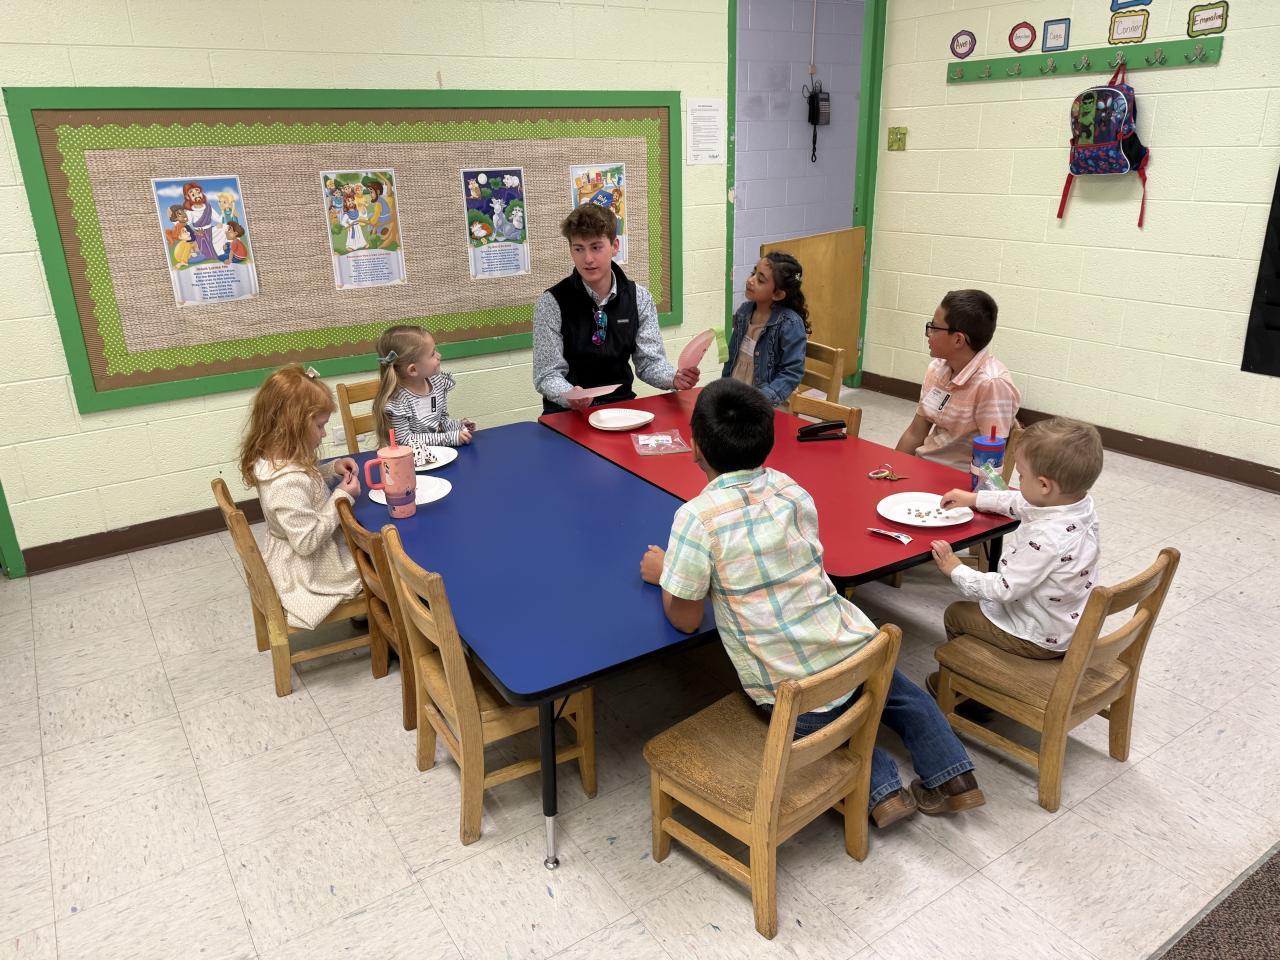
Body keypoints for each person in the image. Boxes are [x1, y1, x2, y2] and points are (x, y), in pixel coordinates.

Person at [640, 379, 986, 824]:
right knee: (902, 696)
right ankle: (956, 778)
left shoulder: (696, 519)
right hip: (855, 644)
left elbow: (686, 620)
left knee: (826, 726)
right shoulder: (791, 489)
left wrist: (667, 574)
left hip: (790, 682)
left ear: (695, 447)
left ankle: (882, 792)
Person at [929, 418, 1104, 680]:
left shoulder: (1047, 538)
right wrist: (975, 498)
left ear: (1044, 485)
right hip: (1065, 622)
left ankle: (966, 685)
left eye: (1021, 475)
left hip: (1037, 636)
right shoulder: (1076, 505)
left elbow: (1003, 589)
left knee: (957, 614)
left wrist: (956, 569)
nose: (1018, 481)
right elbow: (1021, 501)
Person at [533, 205, 699, 414]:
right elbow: (547, 374)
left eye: (596, 247)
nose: (588, 259)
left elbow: (649, 363)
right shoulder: (551, 303)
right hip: (567, 413)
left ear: (614, 246)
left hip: (621, 408)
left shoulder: (639, 298)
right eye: (579, 249)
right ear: (571, 250)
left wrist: (674, 378)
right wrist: (570, 395)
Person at [238, 366, 363, 631]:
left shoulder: (276, 460)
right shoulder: (286, 483)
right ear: (293, 427)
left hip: (300, 556)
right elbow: (306, 543)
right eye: (320, 426)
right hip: (310, 570)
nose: (324, 434)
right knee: (380, 564)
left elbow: (306, 483)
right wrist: (341, 498)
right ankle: (389, 629)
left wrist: (331, 470)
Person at [896, 289, 1021, 471]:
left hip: (958, 478)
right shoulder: (937, 368)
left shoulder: (992, 384)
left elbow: (990, 462)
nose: (928, 333)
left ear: (958, 340)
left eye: (934, 327)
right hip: (924, 466)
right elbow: (915, 433)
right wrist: (892, 468)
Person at [723, 252, 809, 408]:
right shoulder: (744, 311)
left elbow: (791, 373)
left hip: (768, 404)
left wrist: (760, 401)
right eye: (753, 273)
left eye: (760, 280)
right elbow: (732, 355)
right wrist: (723, 389)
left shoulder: (789, 324)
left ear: (778, 294)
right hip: (737, 395)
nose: (750, 280)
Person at [373, 325, 475, 448]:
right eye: (432, 354)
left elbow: (440, 422)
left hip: (439, 452)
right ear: (413, 370)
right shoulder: (398, 402)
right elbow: (405, 441)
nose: (439, 355)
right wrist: (450, 438)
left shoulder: (438, 383)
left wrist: (458, 426)